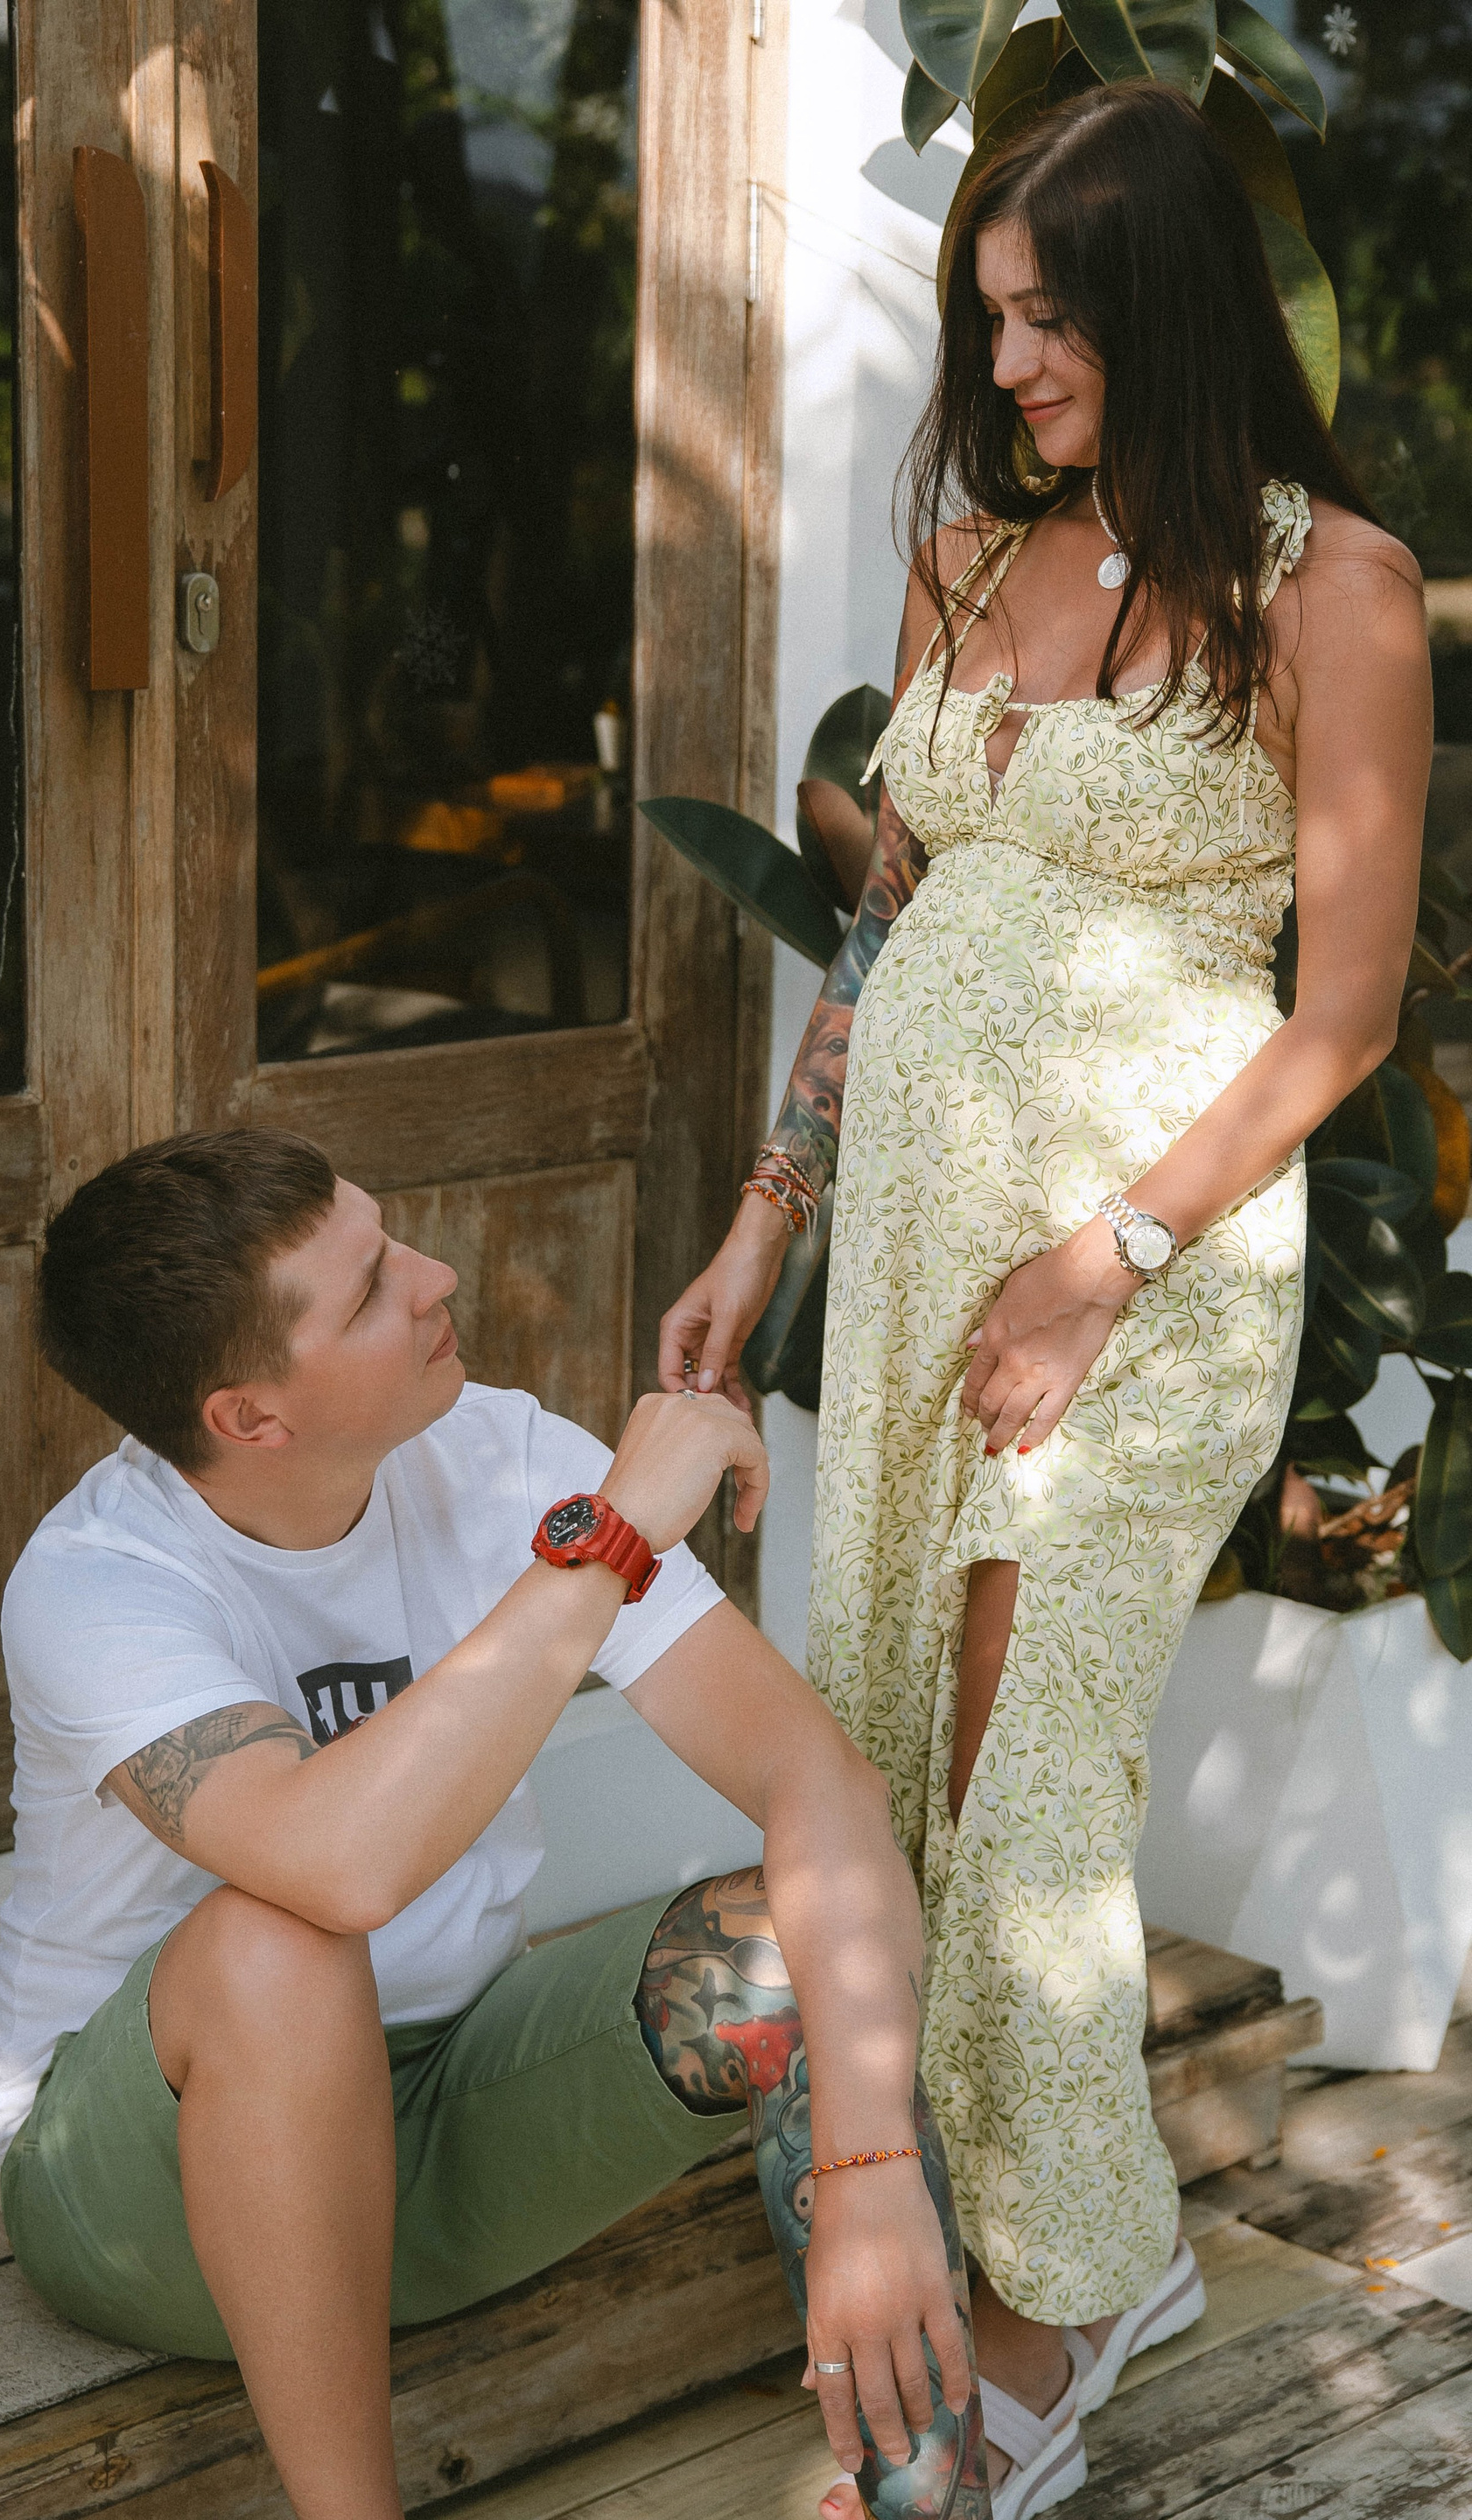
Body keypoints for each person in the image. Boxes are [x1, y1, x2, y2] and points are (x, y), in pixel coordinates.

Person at [660, 79, 1432, 2520]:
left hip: (1145, 1276)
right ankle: (1051, 2234)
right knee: (901, 1758)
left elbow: (1346, 1016)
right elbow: (884, 928)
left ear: (1164, 306)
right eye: (986, 317)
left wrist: (1104, 1263)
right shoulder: (974, 562)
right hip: (914, 1266)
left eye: (1047, 316)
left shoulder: (1333, 591)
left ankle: (1063, 2304)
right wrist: (764, 1224)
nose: (1005, 366)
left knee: (1023, 1803)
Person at [0, 1126, 993, 2520]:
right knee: (280, 1947)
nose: (434, 1276)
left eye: (389, 1241)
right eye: (370, 1290)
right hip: (142, 2196)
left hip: (449, 2123)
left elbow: (822, 1786)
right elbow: (339, 1869)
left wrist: (868, 2167)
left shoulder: (500, 1454)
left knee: (790, 1940)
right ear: (250, 1417)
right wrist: (612, 1538)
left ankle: (930, 2506)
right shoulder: (96, 1585)